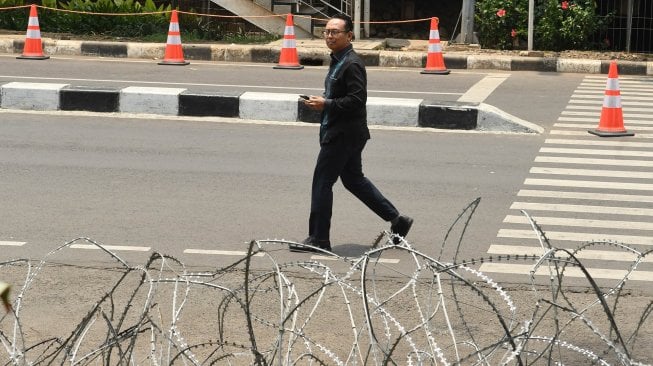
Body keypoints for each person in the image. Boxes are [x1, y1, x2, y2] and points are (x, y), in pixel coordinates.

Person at [290, 13, 413, 252]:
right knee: (353, 180)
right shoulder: (338, 59)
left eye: (335, 32)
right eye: (326, 31)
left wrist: (326, 104)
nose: (329, 36)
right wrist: (324, 101)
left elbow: (357, 101)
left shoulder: (351, 63)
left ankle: (319, 239)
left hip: (343, 135)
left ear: (349, 35)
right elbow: (341, 96)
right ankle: (397, 220)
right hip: (347, 132)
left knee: (322, 183)